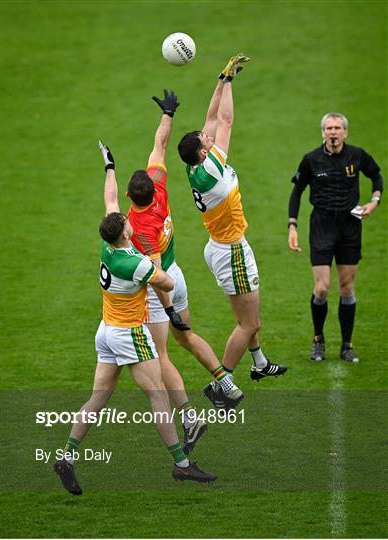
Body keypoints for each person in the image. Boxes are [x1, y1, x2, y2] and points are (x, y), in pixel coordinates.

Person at [53, 145, 216, 495]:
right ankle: (182, 465)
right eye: (127, 223)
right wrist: (154, 264)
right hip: (129, 334)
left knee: (97, 399)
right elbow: (167, 282)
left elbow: (111, 199)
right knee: (157, 396)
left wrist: (109, 165)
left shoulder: (107, 247)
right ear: (125, 234)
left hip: (105, 332)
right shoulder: (134, 263)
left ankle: (67, 456)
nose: (128, 218)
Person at [123, 89, 243, 417]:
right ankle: (225, 381)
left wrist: (169, 309)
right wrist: (168, 114)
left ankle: (189, 417)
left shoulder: (141, 229)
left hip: (160, 285)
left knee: (161, 354)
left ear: (128, 196)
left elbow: (156, 273)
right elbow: (160, 145)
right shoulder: (159, 188)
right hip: (178, 275)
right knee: (187, 338)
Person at [177, 54, 287, 406]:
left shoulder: (198, 165)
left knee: (248, 316)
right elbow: (224, 119)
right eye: (203, 139)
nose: (207, 135)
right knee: (249, 324)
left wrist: (222, 79)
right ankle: (220, 384)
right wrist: (231, 83)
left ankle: (259, 363)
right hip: (231, 250)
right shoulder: (211, 170)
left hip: (223, 245)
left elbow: (211, 118)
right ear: (202, 151)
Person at [287, 112, 383, 362]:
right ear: (323, 132)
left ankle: (346, 346)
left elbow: (377, 175)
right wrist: (292, 225)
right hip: (321, 225)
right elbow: (297, 192)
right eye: (329, 128)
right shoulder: (311, 159)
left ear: (345, 132)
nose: (333, 132)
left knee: (347, 287)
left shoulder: (357, 155)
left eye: (337, 128)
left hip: (350, 226)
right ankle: (318, 340)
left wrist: (374, 201)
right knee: (322, 288)